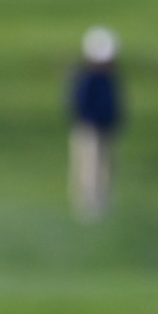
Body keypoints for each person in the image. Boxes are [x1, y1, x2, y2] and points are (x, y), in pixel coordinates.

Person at [68, 26, 125, 223]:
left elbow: (115, 103)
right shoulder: (87, 78)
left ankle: (102, 204)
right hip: (90, 128)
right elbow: (80, 104)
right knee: (90, 166)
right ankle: (88, 207)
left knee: (106, 166)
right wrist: (90, 122)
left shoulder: (109, 78)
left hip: (106, 128)